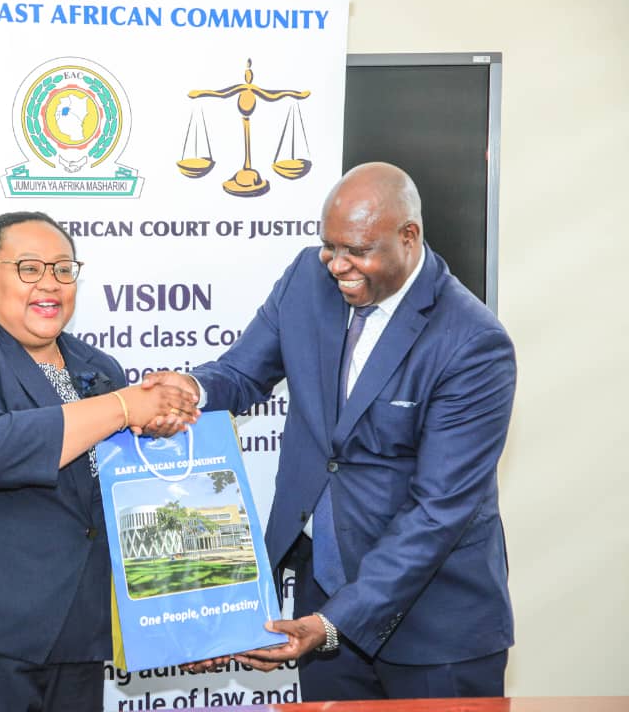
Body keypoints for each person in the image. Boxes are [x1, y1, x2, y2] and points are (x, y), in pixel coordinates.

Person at [147, 162, 516, 700]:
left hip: (437, 626)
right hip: (321, 603)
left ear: (408, 237)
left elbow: (439, 510)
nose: (337, 264)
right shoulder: (307, 278)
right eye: (329, 246)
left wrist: (335, 621)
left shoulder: (472, 343)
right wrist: (190, 390)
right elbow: (243, 372)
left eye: (358, 251)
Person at [0, 211, 198, 711]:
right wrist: (123, 408)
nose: (49, 284)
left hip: (74, 629)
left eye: (63, 269)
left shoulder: (100, 368)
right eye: (28, 268)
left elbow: (126, 497)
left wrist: (182, 617)